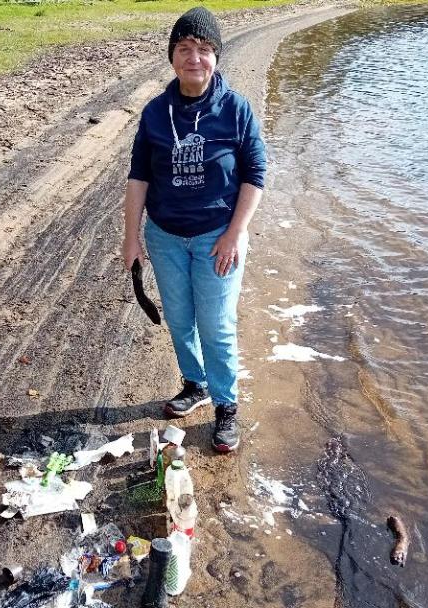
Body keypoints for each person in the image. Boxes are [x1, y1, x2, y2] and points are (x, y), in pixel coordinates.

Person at [122, 6, 266, 452]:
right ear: (172, 57)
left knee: (217, 324)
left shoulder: (236, 110)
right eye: (185, 48)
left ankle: (226, 406)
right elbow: (139, 177)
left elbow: (255, 175)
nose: (195, 58)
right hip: (164, 237)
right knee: (181, 320)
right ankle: (195, 383)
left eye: (204, 49)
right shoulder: (154, 113)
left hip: (216, 237)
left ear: (216, 57)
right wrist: (131, 238)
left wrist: (235, 232)